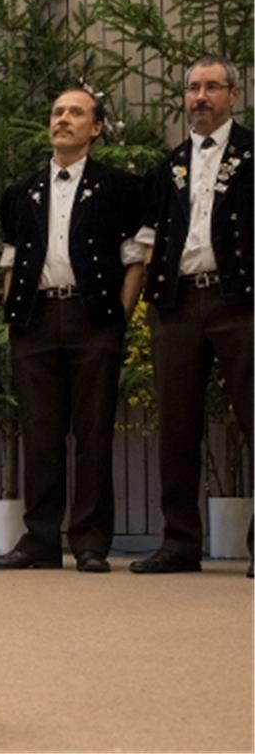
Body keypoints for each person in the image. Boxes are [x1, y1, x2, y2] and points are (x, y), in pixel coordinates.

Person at [0, 88, 144, 573]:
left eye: (76, 113)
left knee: (93, 431)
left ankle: (91, 541)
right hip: (34, 321)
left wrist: (116, 316)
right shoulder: (21, 193)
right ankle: (39, 540)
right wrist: (16, 313)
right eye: (57, 112)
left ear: (95, 128)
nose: (63, 120)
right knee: (40, 433)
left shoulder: (119, 188)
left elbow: (134, 259)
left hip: (94, 318)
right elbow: (11, 261)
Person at [130, 55, 253, 576]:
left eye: (211, 88)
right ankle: (180, 542)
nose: (200, 97)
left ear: (234, 94)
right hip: (178, 303)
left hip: (240, 300)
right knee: (176, 424)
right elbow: (150, 241)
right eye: (192, 89)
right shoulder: (170, 165)